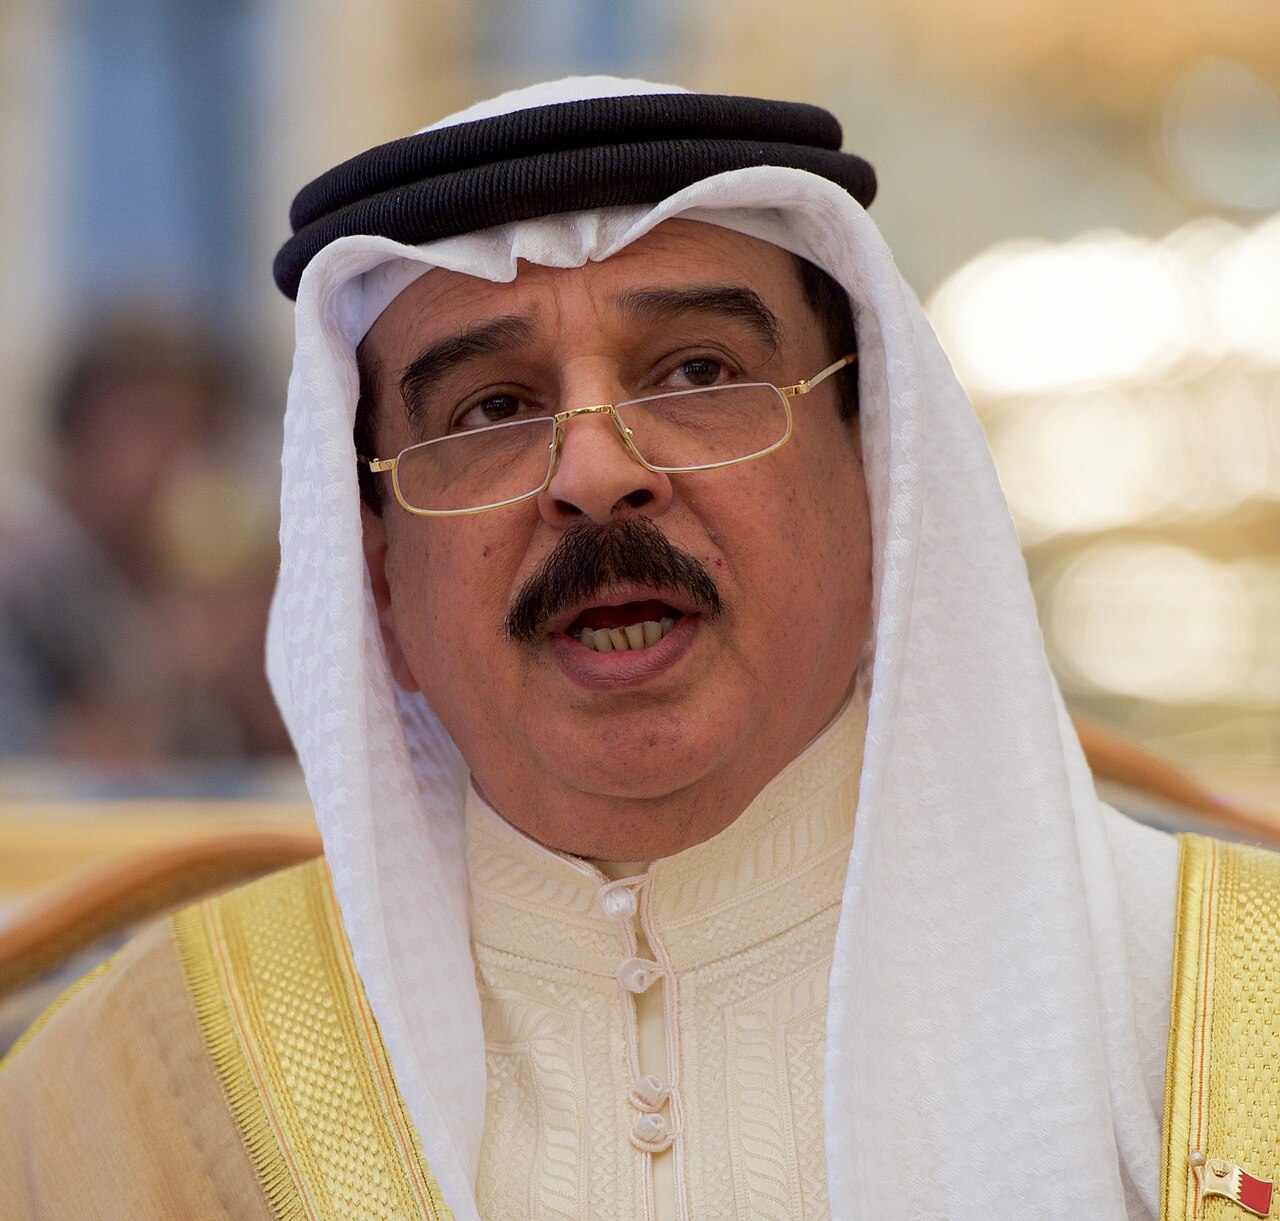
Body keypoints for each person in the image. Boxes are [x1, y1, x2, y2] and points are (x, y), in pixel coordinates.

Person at [3, 76, 1270, 1221]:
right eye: (490, 409)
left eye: (697, 370)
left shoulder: (1231, 1025)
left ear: (882, 488)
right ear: (379, 580)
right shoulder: (125, 1096)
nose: (597, 474)